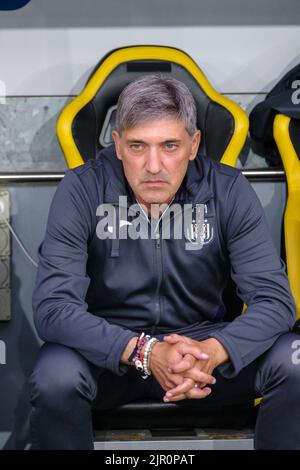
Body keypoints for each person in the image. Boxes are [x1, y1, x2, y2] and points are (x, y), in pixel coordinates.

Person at [29, 73, 299, 450]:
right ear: (118, 145)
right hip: (114, 355)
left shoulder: (227, 188)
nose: (153, 166)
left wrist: (215, 349)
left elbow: (276, 302)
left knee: (295, 359)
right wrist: (145, 351)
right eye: (138, 146)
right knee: (54, 375)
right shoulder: (82, 188)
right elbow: (52, 307)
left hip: (204, 351)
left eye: (170, 145)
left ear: (193, 144)